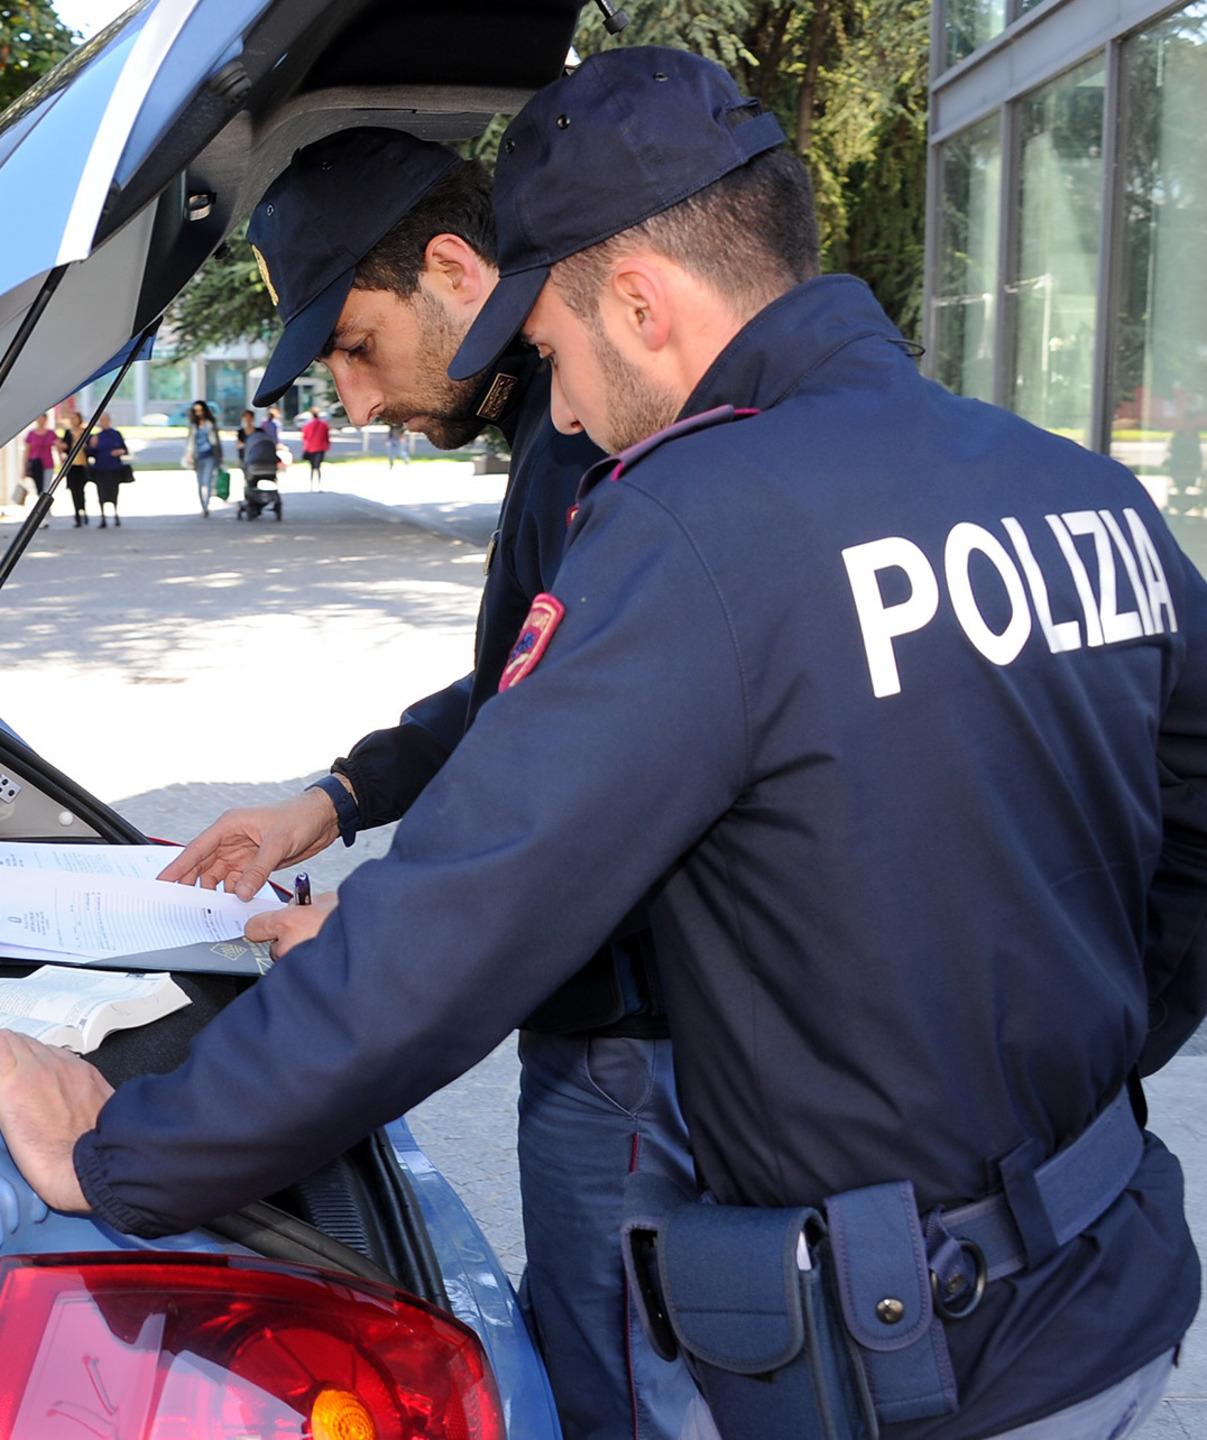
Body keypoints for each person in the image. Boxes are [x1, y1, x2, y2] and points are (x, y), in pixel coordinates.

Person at [0, 49, 1204, 1440]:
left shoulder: (705, 523)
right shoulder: (1074, 489)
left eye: (560, 349)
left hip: (916, 1362)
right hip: (1102, 1285)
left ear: (638, 300)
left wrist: (121, 1155)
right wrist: (1072, 1069)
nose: (559, 409)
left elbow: (457, 927)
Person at [190, 129, 697, 1439]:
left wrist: (367, 948)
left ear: (455, 271)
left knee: (620, 1394)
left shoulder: (585, 447)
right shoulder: (552, 434)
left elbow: (561, 795)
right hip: (630, 1042)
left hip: (636, 1055)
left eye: (355, 346)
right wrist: (335, 797)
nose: (352, 403)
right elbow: (522, 692)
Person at [86, 412, 127, 527]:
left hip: (114, 468)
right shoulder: (96, 436)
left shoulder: (116, 434)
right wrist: (92, 445)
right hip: (101, 469)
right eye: (101, 420)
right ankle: (103, 516)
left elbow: (124, 449)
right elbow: (90, 453)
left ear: (109, 421)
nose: (103, 422)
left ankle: (115, 514)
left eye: (105, 420)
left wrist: (119, 451)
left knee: (114, 492)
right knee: (101, 493)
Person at [184, 400, 223, 517]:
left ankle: (206, 505)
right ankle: (203, 506)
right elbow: (190, 442)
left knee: (207, 481)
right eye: (196, 411)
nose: (198, 413)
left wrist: (220, 456)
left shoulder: (210, 423)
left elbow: (216, 441)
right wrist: (188, 454)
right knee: (200, 483)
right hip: (197, 457)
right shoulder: (193, 425)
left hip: (210, 455)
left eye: (200, 410)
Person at [22, 412, 59, 519]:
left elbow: (58, 445)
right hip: (35, 465)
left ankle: (45, 514)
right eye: (39, 419)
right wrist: (24, 468)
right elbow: (26, 452)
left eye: (42, 419)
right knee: (39, 490)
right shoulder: (31, 434)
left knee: (46, 488)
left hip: (47, 464)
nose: (40, 421)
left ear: (45, 420)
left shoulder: (51, 433)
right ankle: (45, 512)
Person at [59, 409, 91, 526]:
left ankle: (83, 511)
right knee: (73, 490)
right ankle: (77, 514)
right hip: (71, 466)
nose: (73, 420)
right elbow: (64, 446)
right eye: (71, 418)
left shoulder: (85, 431)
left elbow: (91, 448)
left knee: (81, 490)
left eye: (75, 418)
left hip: (82, 466)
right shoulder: (68, 432)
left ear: (79, 419)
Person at [300, 406, 330, 488]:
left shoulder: (307, 425)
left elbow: (304, 437)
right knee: (318, 467)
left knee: (312, 467)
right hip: (320, 447)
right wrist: (327, 446)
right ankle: (319, 484)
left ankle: (311, 484)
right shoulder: (324, 425)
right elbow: (326, 436)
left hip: (310, 448)